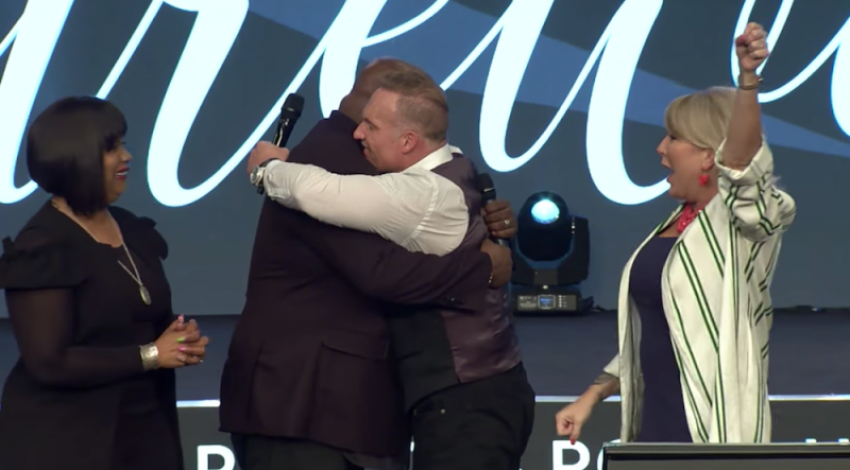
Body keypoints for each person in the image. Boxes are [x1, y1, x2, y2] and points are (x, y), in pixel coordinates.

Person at [220, 58, 517, 470]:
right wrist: (484, 267)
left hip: (347, 411)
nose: (363, 133)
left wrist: (485, 230)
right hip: (307, 411)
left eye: (373, 127)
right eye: (368, 121)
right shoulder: (331, 161)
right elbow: (382, 273)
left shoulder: (403, 173)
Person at [555, 22, 795, 444]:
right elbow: (667, 331)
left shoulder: (749, 223)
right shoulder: (674, 224)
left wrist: (747, 80)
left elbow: (742, 166)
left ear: (708, 154)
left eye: (673, 137)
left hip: (713, 431)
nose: (660, 149)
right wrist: (593, 394)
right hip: (655, 425)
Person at [0, 97, 209, 470]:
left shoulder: (131, 227)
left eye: (124, 144)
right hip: (69, 443)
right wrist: (151, 355)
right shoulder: (42, 246)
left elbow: (144, 317)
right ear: (76, 157)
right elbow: (50, 361)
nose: (127, 157)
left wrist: (178, 339)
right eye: (112, 148)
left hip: (144, 432)